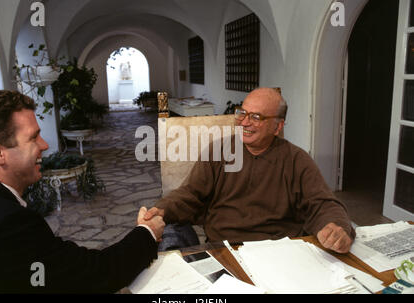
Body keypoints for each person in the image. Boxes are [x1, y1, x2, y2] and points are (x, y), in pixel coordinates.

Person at [0, 89, 165, 293]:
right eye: (33, 138)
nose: (44, 145)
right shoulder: (9, 223)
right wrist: (147, 233)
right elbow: (92, 275)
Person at [145, 87, 354, 254]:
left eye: (256, 117)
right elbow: (190, 193)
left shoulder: (296, 159)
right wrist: (162, 209)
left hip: (280, 252)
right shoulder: (219, 151)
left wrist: (336, 228)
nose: (244, 122)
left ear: (278, 126)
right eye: (242, 113)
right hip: (225, 250)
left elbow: (323, 203)